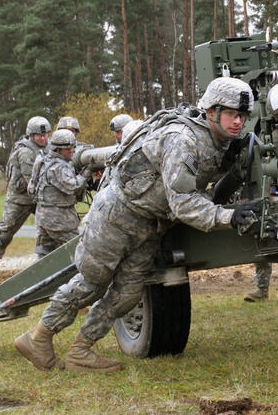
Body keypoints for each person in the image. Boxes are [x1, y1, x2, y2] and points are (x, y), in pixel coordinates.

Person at [14, 77, 260, 372]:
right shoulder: (183, 139)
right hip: (117, 217)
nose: (238, 122)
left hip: (150, 226)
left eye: (242, 116)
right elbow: (183, 202)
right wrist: (228, 216)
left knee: (128, 293)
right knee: (91, 284)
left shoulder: (216, 140)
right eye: (232, 114)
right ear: (211, 112)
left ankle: (81, 350)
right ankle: (37, 338)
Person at [0, 116, 50, 285]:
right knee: (5, 234)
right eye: (38, 136)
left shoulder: (49, 148)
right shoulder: (25, 152)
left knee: (50, 229)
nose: (42, 138)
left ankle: (44, 265)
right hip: (20, 198)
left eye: (45, 135)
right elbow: (32, 182)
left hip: (39, 197)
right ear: (31, 135)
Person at [34, 129, 91, 252]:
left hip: (44, 217)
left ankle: (44, 271)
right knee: (80, 250)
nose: (71, 151)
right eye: (67, 149)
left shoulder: (43, 160)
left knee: (45, 252)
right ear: (57, 149)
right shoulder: (57, 167)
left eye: (72, 147)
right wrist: (87, 173)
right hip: (59, 221)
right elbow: (73, 187)